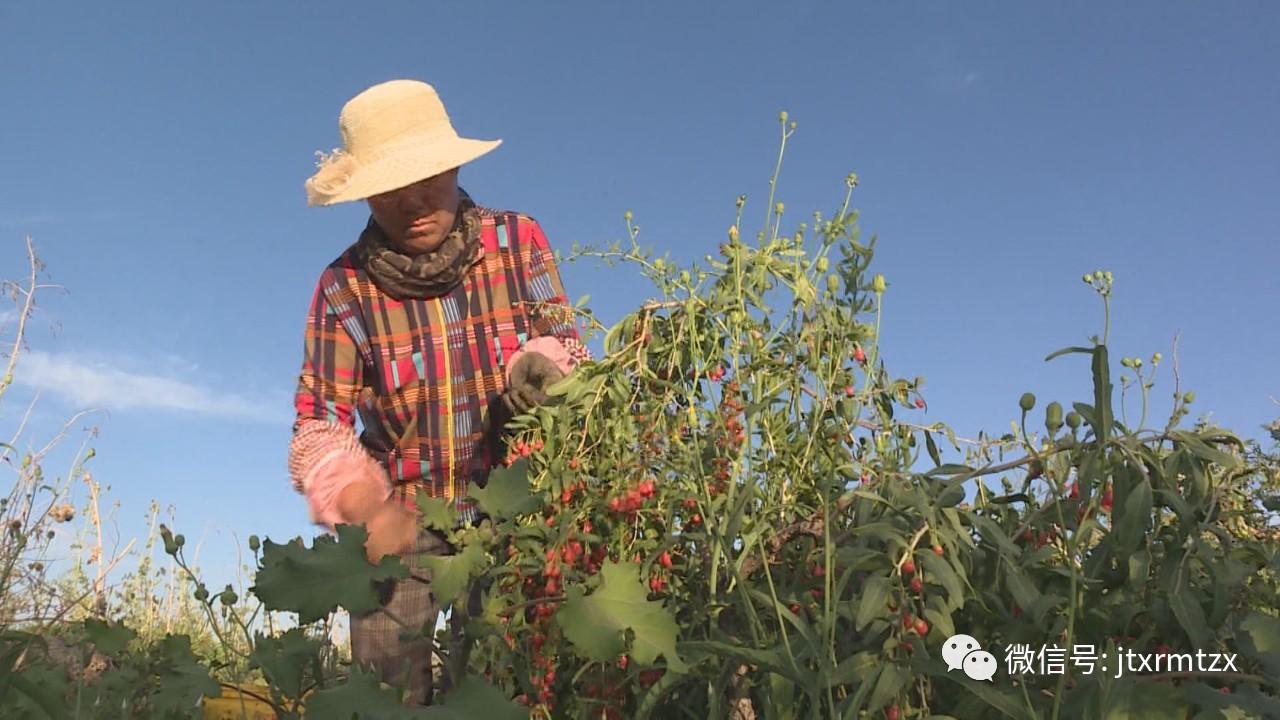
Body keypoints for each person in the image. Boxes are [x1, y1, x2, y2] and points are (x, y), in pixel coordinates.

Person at [286, 79, 589, 705]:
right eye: (390, 187)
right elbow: (319, 424)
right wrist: (367, 502)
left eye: (428, 177)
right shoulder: (342, 289)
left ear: (453, 165)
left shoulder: (518, 240)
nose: (413, 200)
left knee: (509, 687)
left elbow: (567, 341)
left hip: (514, 504)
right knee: (386, 694)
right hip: (404, 513)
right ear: (365, 194)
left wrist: (543, 366)